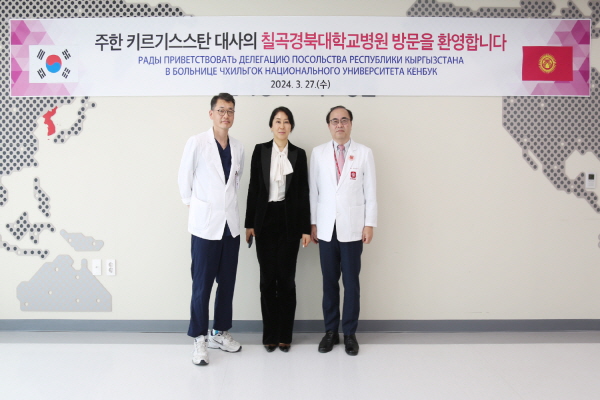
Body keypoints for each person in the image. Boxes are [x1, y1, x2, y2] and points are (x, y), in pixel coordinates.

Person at [178, 93, 245, 366]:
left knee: (227, 284)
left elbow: (235, 182)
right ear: (211, 114)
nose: (225, 115)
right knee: (202, 285)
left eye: (230, 111)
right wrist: (195, 205)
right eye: (221, 110)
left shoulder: (238, 146)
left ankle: (220, 332)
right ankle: (199, 338)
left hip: (230, 227)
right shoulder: (197, 142)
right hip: (205, 227)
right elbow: (184, 179)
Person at [309, 105, 377, 356]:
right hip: (326, 228)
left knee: (351, 283)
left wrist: (369, 223)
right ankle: (330, 332)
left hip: (353, 227)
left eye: (344, 120)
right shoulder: (318, 153)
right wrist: (313, 223)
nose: (339, 124)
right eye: (334, 121)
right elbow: (313, 192)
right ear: (328, 125)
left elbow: (370, 191)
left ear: (350, 124)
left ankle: (349, 333)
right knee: (329, 283)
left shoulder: (364, 153)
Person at [245, 106, 311, 353]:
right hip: (264, 220)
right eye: (277, 121)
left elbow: (303, 192)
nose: (282, 126)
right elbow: (253, 188)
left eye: (286, 121)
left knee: (286, 280)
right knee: (266, 280)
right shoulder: (260, 150)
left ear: (291, 126)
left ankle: (285, 335)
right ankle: (269, 335)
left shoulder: (298, 154)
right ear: (271, 126)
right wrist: (249, 223)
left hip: (289, 221)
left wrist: (305, 228)